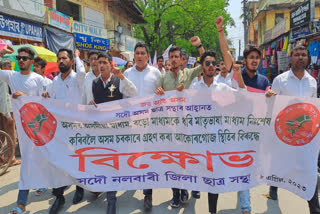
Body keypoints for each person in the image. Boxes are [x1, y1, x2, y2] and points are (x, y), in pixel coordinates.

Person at [265, 46, 320, 214]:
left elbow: (313, 108)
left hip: (305, 133)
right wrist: (269, 98)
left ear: (308, 59)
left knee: (310, 168)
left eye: (304, 55)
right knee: (280, 163)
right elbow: (272, 106)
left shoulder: (312, 81)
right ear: (291, 58)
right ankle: (274, 187)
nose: (300, 58)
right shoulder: (280, 80)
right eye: (297, 55)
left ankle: (314, 207)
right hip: (285, 132)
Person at [155, 36, 205, 208]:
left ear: (182, 59)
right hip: (170, 128)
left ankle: (186, 188)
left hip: (187, 126)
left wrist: (199, 46)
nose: (175, 59)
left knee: (186, 160)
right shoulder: (163, 78)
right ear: (169, 59)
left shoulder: (189, 74)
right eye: (172, 57)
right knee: (172, 161)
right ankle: (175, 194)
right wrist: (160, 93)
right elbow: (156, 99)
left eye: (177, 57)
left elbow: (206, 63)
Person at [88, 52, 137, 214]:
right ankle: (108, 194)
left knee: (115, 164)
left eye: (104, 62)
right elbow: (93, 104)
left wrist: (122, 77)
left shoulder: (119, 80)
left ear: (111, 64)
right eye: (98, 62)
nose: (100, 65)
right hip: (102, 131)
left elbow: (133, 93)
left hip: (118, 130)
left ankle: (111, 199)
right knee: (105, 163)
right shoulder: (94, 83)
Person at [0, 45, 45, 214]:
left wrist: (26, 97)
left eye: (25, 58)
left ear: (32, 62)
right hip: (22, 130)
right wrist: (1, 54)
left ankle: (42, 182)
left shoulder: (39, 79)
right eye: (19, 57)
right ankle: (21, 204)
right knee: (27, 162)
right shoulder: (11, 76)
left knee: (40, 157)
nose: (21, 60)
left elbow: (45, 102)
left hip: (38, 128)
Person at [43, 48, 86, 214]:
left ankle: (79, 188)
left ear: (71, 61)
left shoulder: (78, 78)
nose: (61, 61)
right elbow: (51, 100)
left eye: (64, 58)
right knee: (59, 162)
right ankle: (59, 196)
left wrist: (77, 57)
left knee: (77, 159)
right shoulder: (55, 81)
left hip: (77, 128)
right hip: (60, 129)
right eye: (59, 59)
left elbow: (82, 70)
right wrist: (46, 95)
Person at [123, 42, 161, 210]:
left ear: (147, 56)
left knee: (148, 158)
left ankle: (148, 194)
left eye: (142, 53)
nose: (139, 56)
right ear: (134, 55)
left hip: (150, 123)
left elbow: (162, 95)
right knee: (132, 157)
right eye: (137, 53)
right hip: (131, 123)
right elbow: (122, 98)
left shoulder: (156, 73)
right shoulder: (126, 73)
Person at [0, 58, 20, 167]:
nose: (11, 69)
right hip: (6, 110)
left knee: (2, 136)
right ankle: (11, 159)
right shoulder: (3, 79)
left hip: (3, 109)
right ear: (3, 67)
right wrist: (8, 115)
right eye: (9, 67)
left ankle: (2, 159)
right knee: (11, 134)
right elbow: (3, 97)